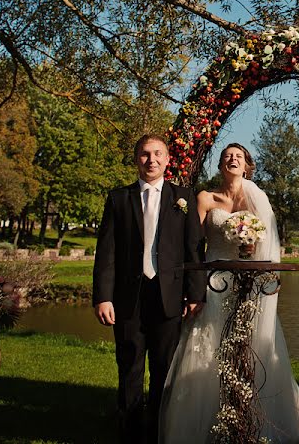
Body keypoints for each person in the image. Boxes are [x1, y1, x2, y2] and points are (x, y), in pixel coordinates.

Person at [161, 143, 299, 443]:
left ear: (247, 166)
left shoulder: (255, 198)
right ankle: (205, 421)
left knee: (247, 348)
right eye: (228, 155)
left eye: (238, 157)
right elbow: (192, 244)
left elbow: (264, 244)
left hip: (246, 285)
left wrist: (251, 251)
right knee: (207, 348)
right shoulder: (204, 198)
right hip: (213, 284)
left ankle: (246, 416)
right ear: (220, 164)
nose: (232, 159)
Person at [92, 134, 207, 444]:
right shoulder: (118, 199)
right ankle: (129, 432)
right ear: (136, 160)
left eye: (157, 154)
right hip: (128, 298)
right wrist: (103, 296)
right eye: (145, 154)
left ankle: (160, 430)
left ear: (168, 160)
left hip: (169, 298)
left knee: (164, 368)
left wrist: (196, 295)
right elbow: (106, 253)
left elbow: (194, 250)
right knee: (129, 365)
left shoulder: (183, 197)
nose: (151, 160)